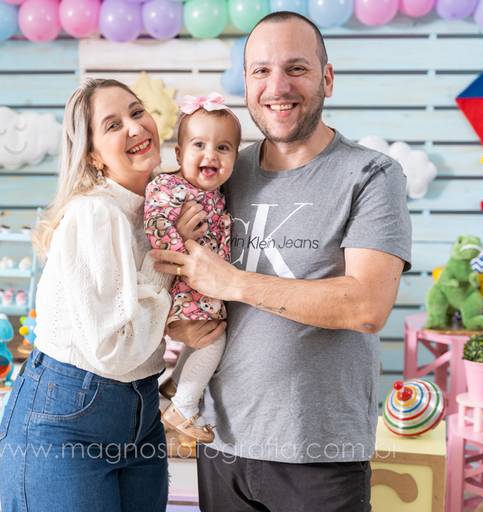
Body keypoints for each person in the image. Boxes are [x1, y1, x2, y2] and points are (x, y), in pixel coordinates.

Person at [151, 11, 412, 512]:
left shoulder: (371, 174)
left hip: (318, 451)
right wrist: (179, 317)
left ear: (327, 79)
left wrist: (233, 282)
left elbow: (366, 306)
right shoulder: (224, 168)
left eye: (296, 68)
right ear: (246, 83)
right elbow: (168, 259)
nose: (277, 87)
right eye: (261, 71)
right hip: (221, 441)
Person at [0, 78, 177, 512]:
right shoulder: (95, 213)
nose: (135, 127)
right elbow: (110, 350)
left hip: (140, 411)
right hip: (68, 418)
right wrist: (167, 258)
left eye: (137, 112)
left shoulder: (156, 208)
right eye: (113, 125)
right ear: (93, 155)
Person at [144, 92, 241, 443]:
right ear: (179, 154)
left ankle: (174, 384)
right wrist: (181, 254)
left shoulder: (216, 194)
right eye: (199, 144)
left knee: (204, 339)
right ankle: (184, 407)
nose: (210, 154)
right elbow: (156, 223)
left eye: (223, 148)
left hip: (201, 288)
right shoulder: (171, 186)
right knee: (213, 341)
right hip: (186, 286)